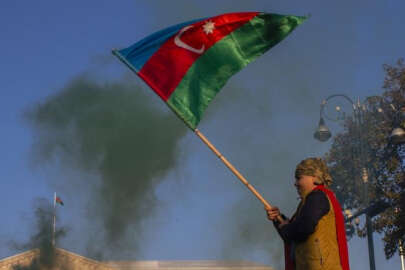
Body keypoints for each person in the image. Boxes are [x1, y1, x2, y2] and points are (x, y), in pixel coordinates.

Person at [266, 157, 350, 270]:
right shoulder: (309, 201)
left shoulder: (317, 197)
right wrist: (278, 219)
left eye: (299, 178)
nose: (295, 184)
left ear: (314, 177)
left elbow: (304, 227)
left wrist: (286, 227)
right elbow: (292, 236)